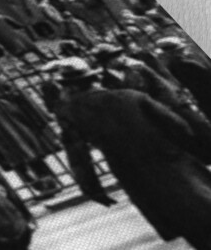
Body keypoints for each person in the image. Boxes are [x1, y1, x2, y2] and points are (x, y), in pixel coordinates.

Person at [57, 58, 211, 250]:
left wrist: (92, 188)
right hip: (172, 160)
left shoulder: (70, 112)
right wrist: (189, 151)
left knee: (181, 221)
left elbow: (78, 156)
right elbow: (178, 126)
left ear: (68, 88)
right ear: (94, 79)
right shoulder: (132, 97)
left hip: (133, 173)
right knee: (203, 202)